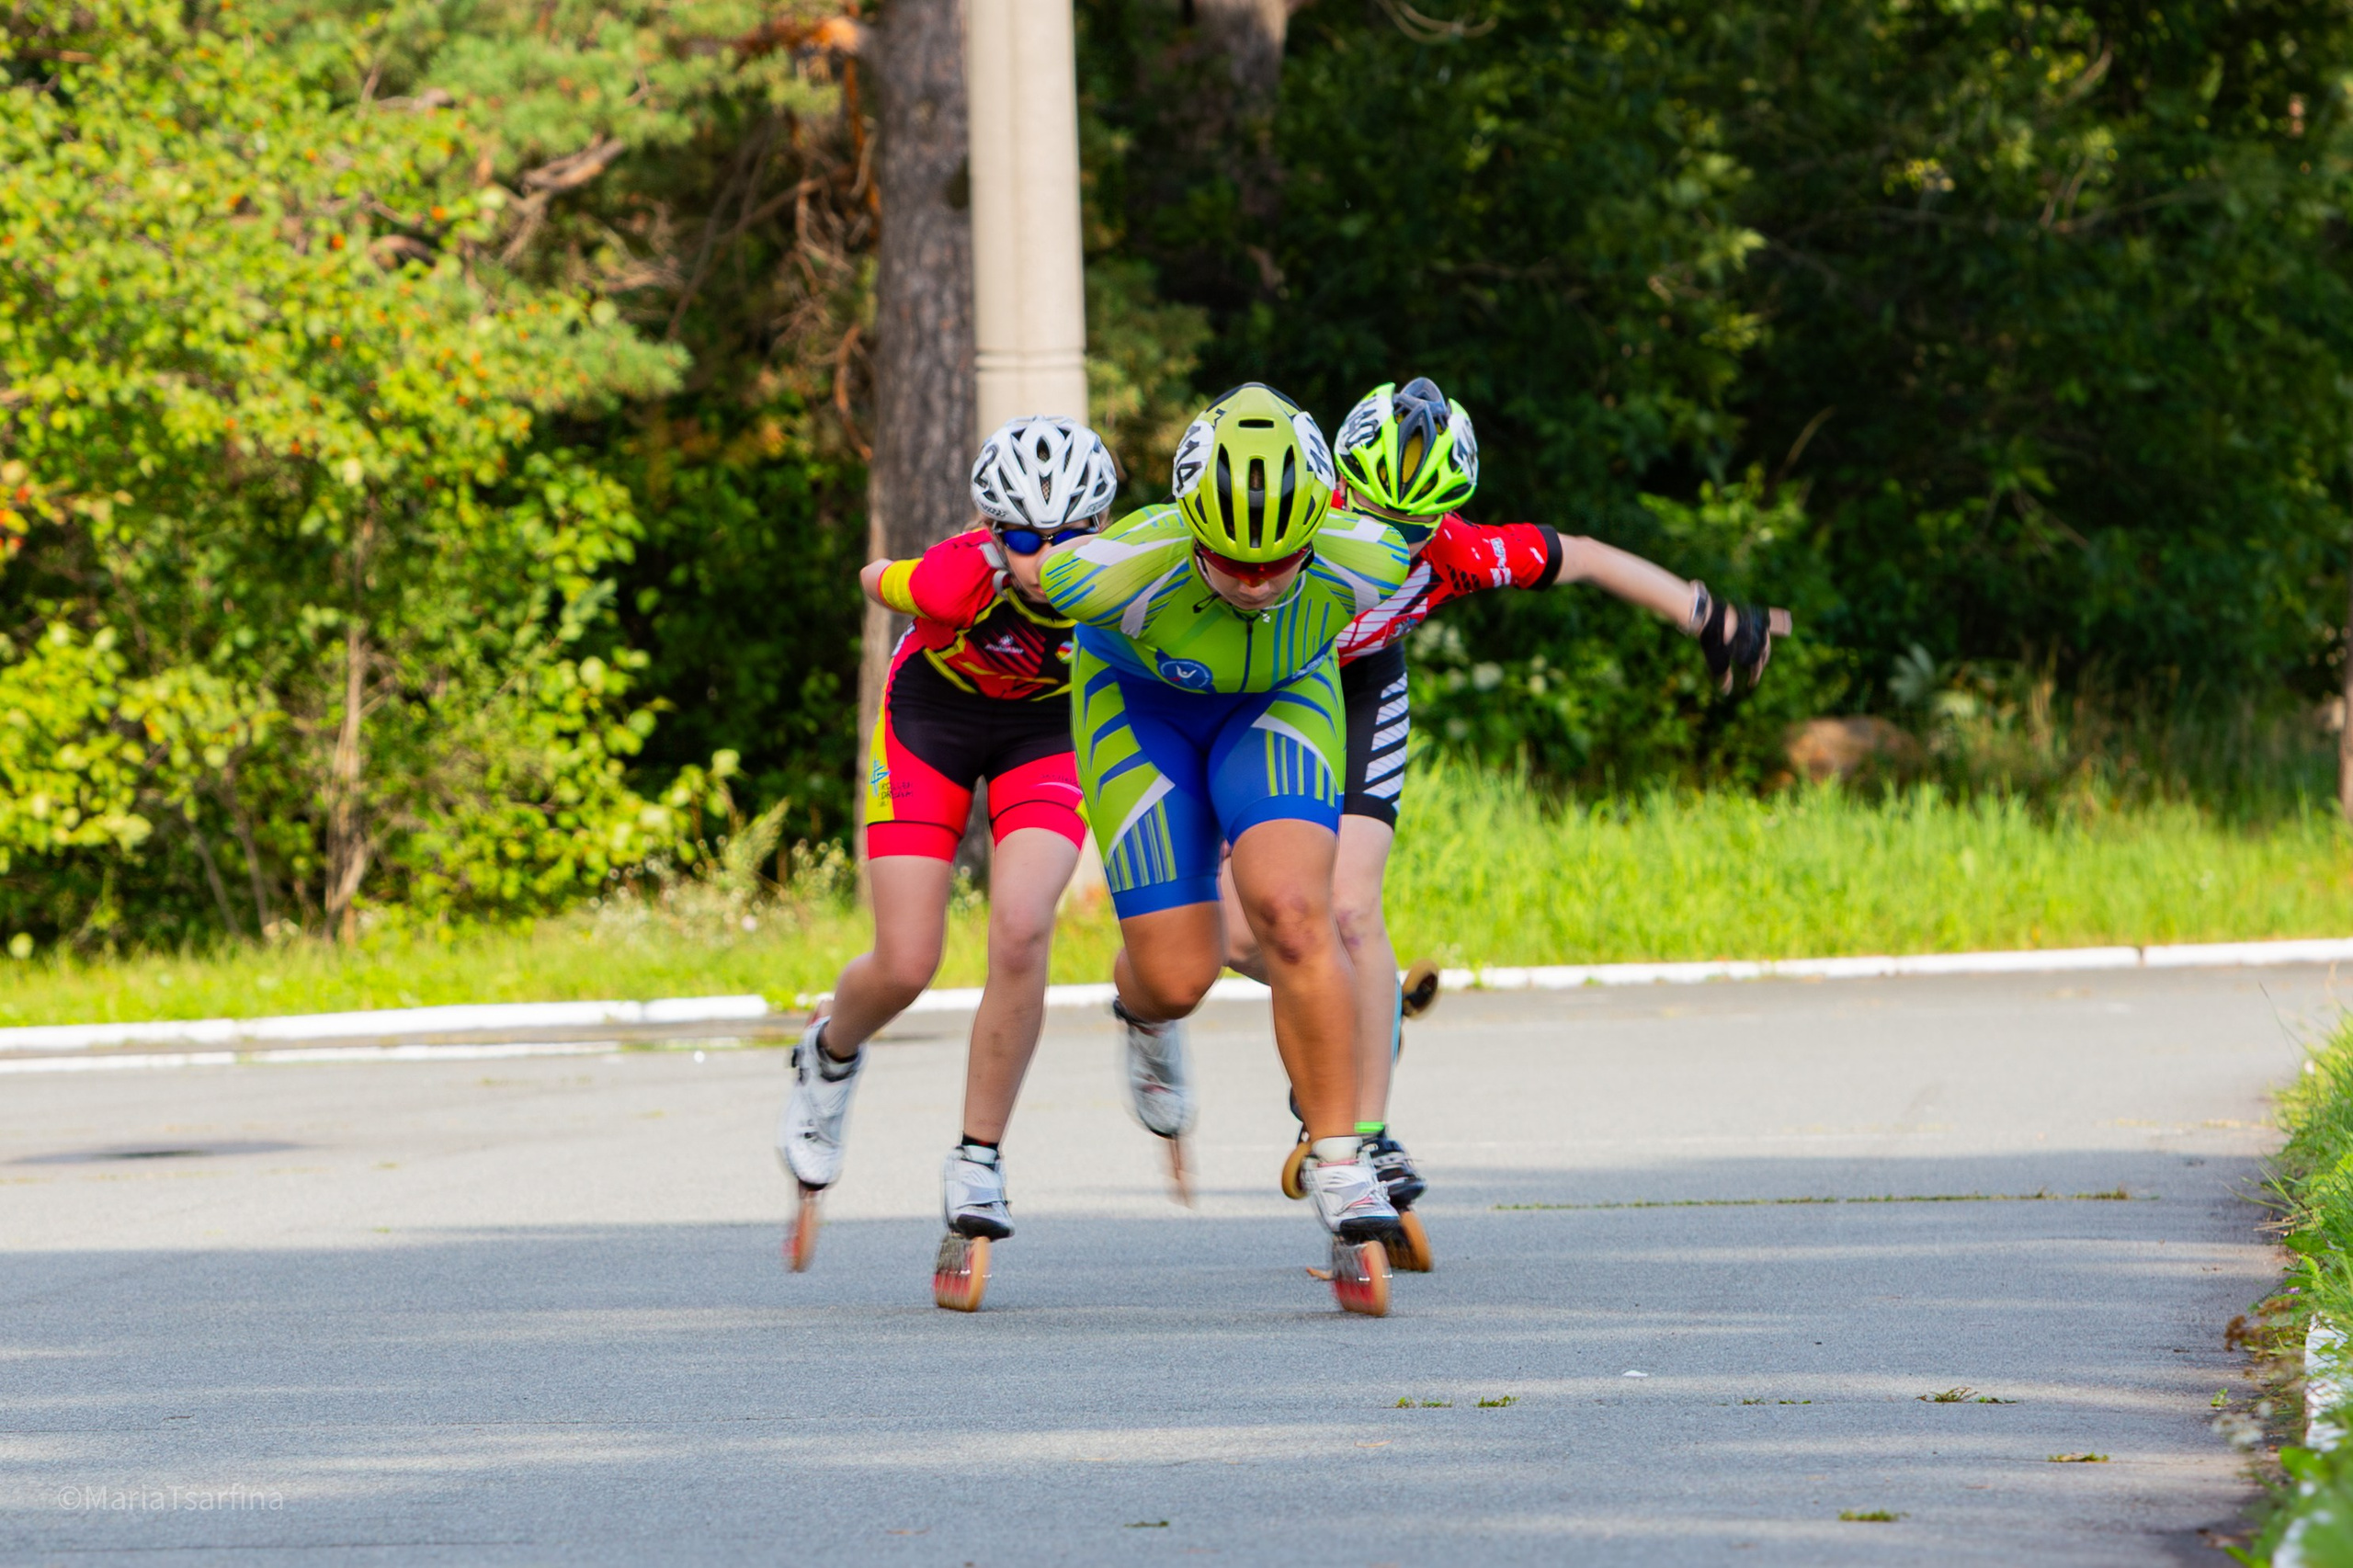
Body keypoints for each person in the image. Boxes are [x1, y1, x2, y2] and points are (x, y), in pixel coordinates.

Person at [1217, 376, 1790, 1269]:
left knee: (1353, 908)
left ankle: (1365, 1133)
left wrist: (1706, 614)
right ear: (1337, 488)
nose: (1388, 546)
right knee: (1227, 925)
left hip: (1364, 690)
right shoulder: (1295, 508)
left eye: (1412, 532)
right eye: (1370, 517)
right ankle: (1343, 1009)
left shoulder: (1454, 551)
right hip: (1264, 694)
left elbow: (1587, 554)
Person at [1039, 382, 1415, 1316]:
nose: (1253, 582)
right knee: (1179, 974)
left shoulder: (1367, 559)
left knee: (1297, 913)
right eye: (1227, 561)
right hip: (1141, 715)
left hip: (1279, 701)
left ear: (1316, 531)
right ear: (1189, 528)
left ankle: (1339, 1161)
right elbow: (998, 570)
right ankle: (1143, 1015)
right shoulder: (1111, 570)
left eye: (1277, 563)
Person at [775, 415, 1118, 1312]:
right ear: (993, 528)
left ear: (1101, 528)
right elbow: (872, 578)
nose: (1042, 558)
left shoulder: (1127, 576)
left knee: (1021, 923)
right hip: (934, 714)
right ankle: (828, 1050)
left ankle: (978, 1158)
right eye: (1020, 537)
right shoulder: (962, 572)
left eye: (1067, 537)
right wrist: (943, 578)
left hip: (1045, 733)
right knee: (906, 961)